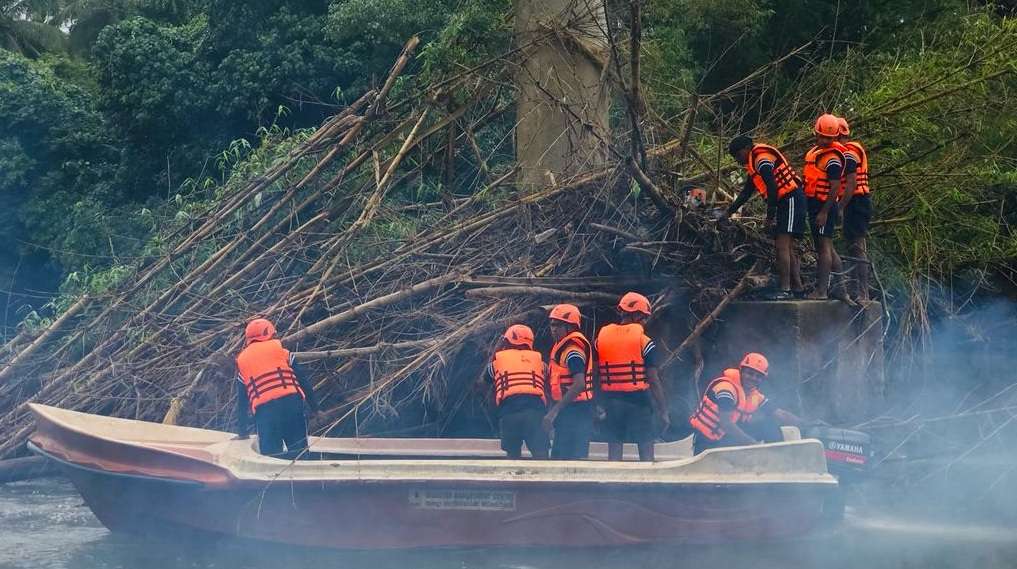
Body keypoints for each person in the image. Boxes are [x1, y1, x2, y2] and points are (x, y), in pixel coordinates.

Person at [723, 136, 807, 300]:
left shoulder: (762, 159)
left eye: (739, 156)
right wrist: (728, 212)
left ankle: (785, 289)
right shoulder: (753, 164)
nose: (738, 161)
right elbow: (746, 192)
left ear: (747, 148)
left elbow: (772, 186)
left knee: (782, 245)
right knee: (788, 247)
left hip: (791, 199)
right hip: (786, 201)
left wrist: (770, 216)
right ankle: (797, 288)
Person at [595, 292, 669, 461]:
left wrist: (597, 403)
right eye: (643, 318)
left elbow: (594, 374)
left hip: (611, 403)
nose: (644, 322)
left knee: (614, 450)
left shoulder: (601, 340)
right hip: (639, 403)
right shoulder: (645, 342)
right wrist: (664, 411)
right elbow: (653, 380)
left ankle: (611, 484)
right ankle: (648, 484)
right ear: (636, 315)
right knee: (646, 448)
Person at [235, 318, 320, 458]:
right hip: (292, 405)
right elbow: (304, 383)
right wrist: (316, 409)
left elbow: (242, 403)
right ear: (269, 334)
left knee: (272, 457)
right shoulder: (283, 352)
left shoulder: (243, 362)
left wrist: (242, 432)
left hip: (265, 413)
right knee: (299, 453)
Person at [689, 352, 803, 455]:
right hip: (707, 443)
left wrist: (805, 424)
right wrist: (753, 444)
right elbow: (726, 424)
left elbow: (779, 413)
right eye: (750, 373)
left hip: (727, 439)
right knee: (757, 434)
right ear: (741, 371)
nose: (753, 378)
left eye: (758, 376)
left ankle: (778, 459)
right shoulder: (726, 390)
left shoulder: (753, 396)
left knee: (769, 425)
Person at [803, 114, 849, 300]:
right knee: (828, 248)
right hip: (815, 204)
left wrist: (824, 212)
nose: (824, 141)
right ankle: (842, 290)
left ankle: (821, 291)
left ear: (835, 137)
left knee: (824, 248)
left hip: (825, 205)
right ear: (816, 133)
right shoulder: (817, 153)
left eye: (829, 138)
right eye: (822, 136)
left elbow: (835, 186)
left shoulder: (833, 159)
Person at [488, 324, 550, 459]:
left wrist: (496, 352)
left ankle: (514, 478)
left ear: (507, 341)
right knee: (541, 454)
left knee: (513, 455)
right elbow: (546, 378)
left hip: (509, 413)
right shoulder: (540, 362)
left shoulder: (497, 362)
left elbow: (484, 379)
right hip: (535, 413)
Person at [542, 304, 594, 459]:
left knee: (572, 459)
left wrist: (554, 411)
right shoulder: (561, 348)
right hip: (568, 410)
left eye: (558, 325)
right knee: (560, 455)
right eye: (552, 325)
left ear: (571, 327)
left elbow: (579, 384)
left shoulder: (573, 351)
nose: (553, 329)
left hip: (577, 410)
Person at [835, 116, 873, 301]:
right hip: (851, 200)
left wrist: (840, 207)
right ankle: (853, 287)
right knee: (851, 245)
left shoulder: (850, 152)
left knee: (858, 245)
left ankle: (863, 291)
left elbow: (851, 184)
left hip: (857, 200)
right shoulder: (842, 151)